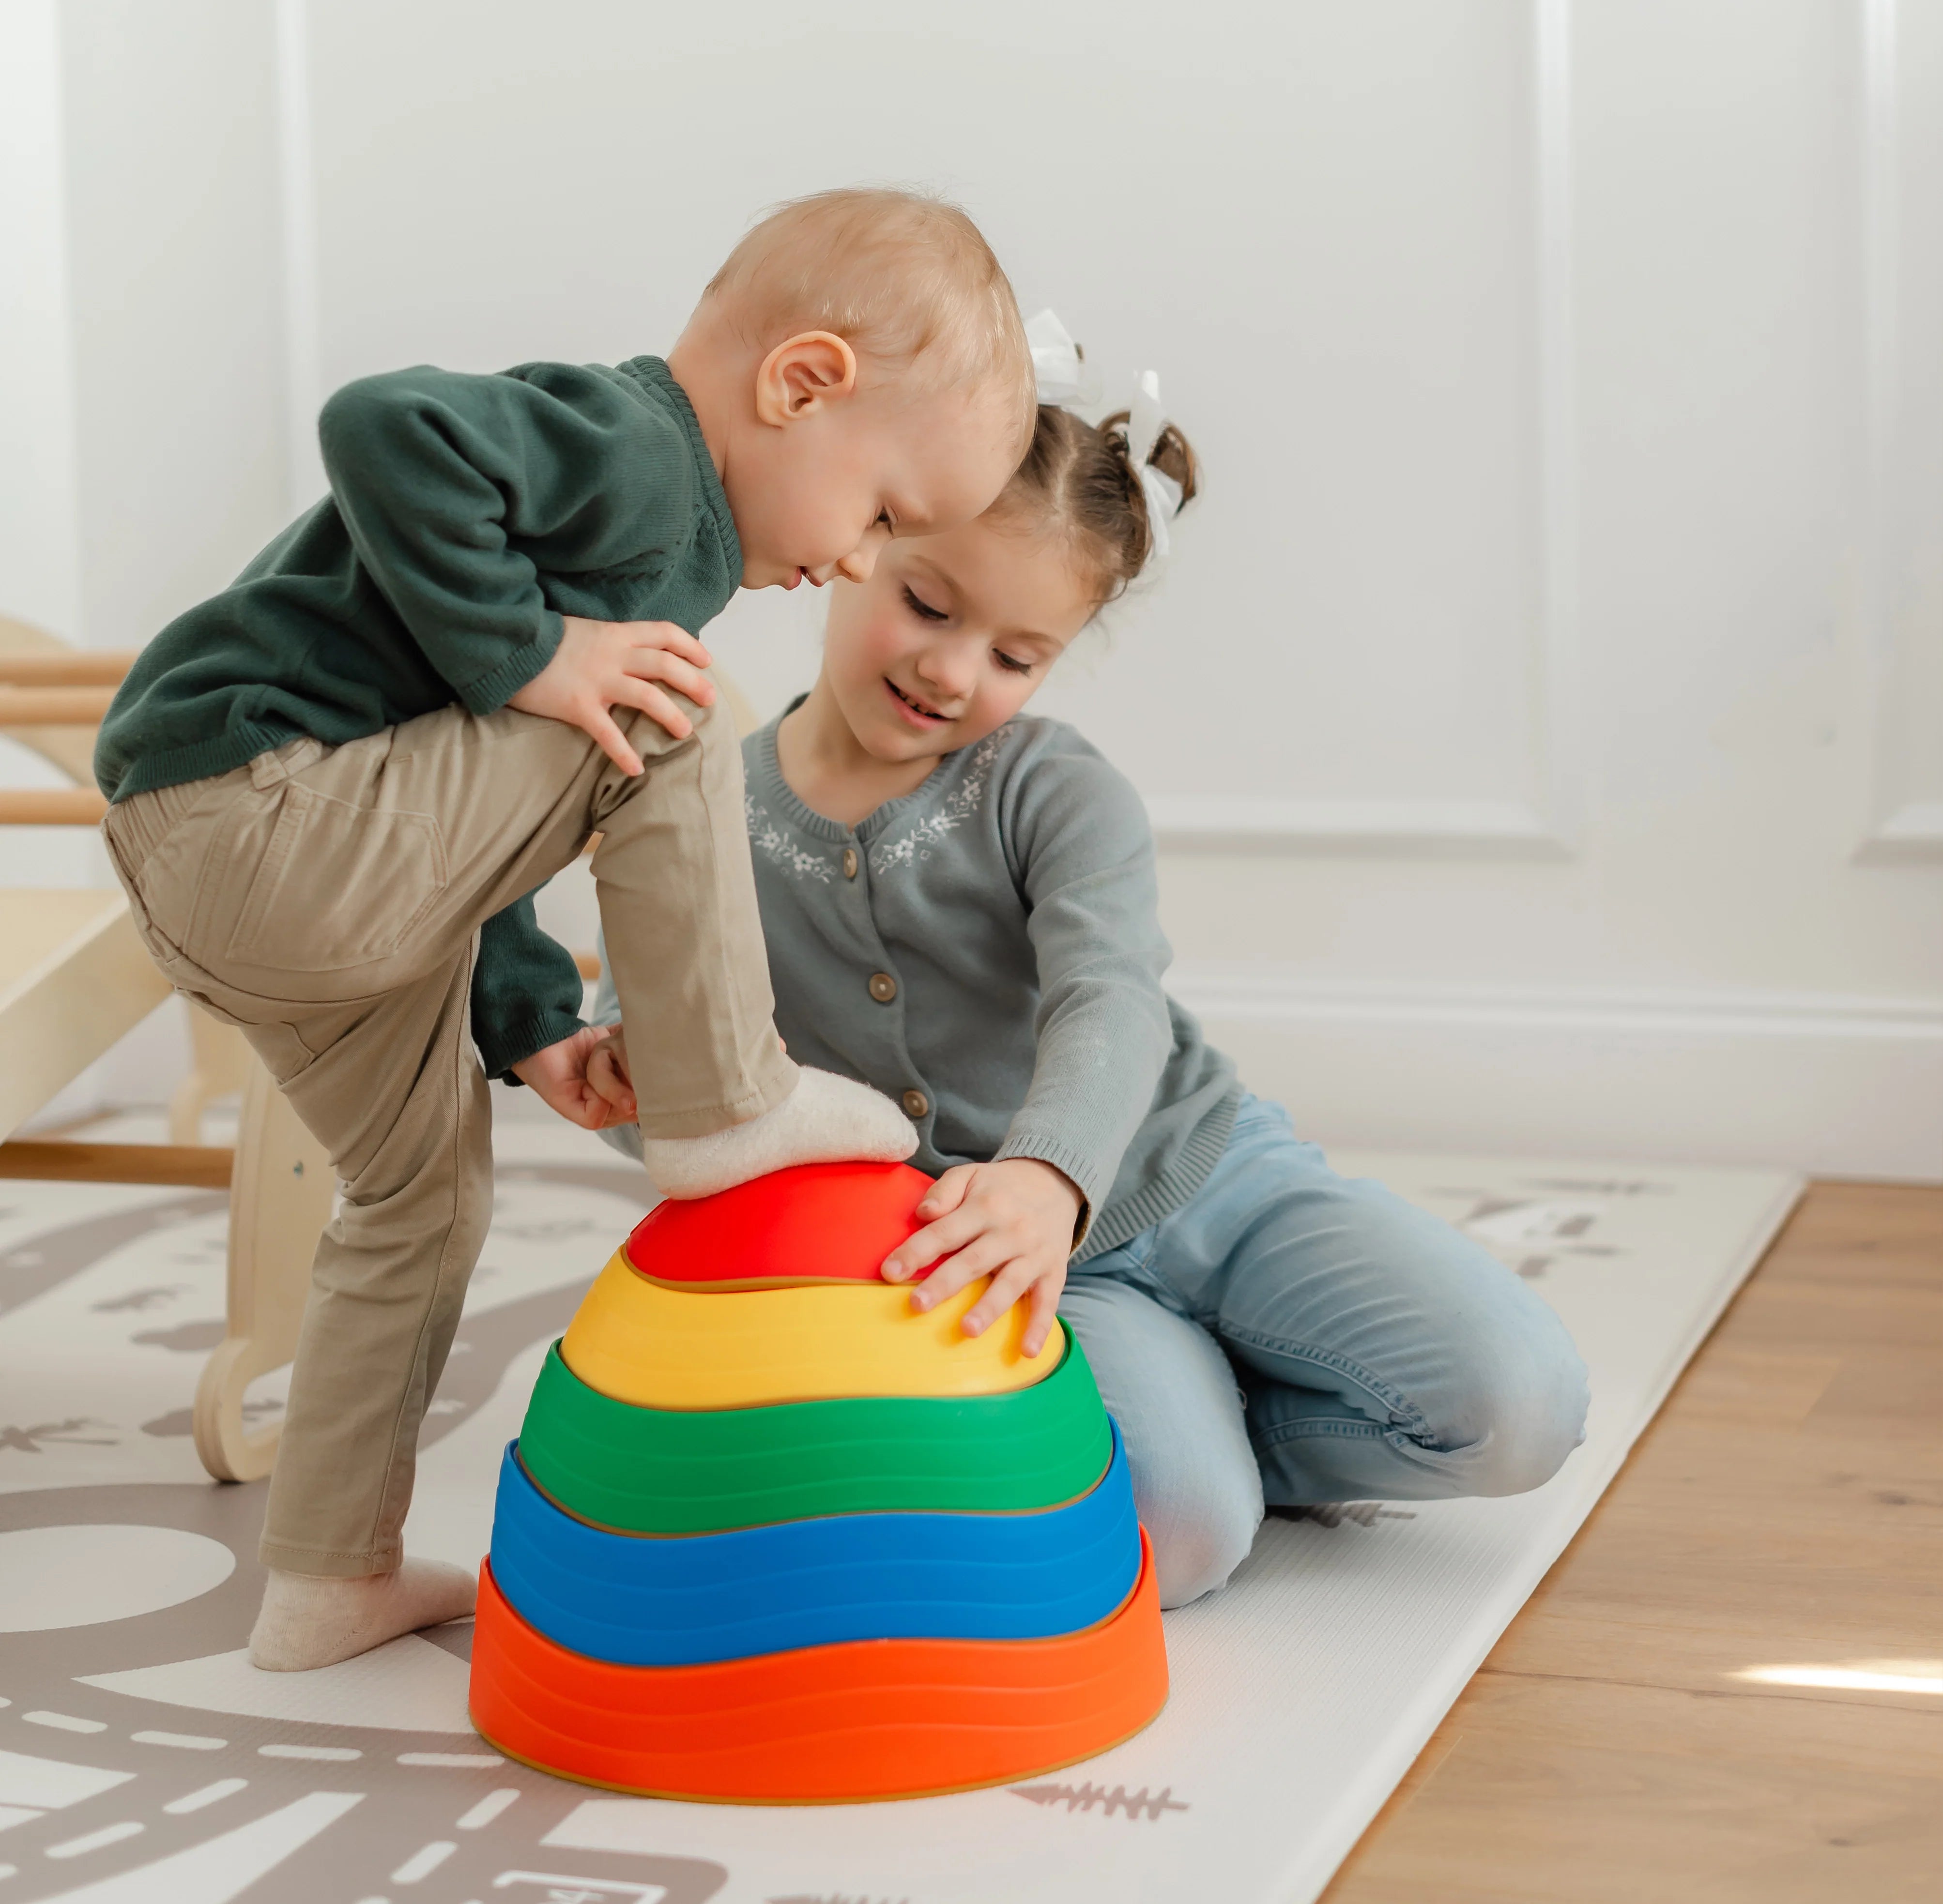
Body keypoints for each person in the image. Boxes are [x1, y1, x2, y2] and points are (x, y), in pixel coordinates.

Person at [94, 188, 1037, 1669]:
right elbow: (383, 422)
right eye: (883, 515)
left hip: (256, 863)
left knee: (419, 1204)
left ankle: (326, 1581)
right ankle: (726, 1094)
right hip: (258, 806)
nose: (858, 563)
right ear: (801, 385)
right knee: (663, 709)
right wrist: (537, 650)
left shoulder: (652, 559)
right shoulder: (638, 452)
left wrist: (528, 1021)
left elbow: (475, 781)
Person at [588, 336, 1590, 1608]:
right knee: (1173, 1535)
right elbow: (662, 1042)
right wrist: (626, 1075)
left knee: (1522, 1410)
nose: (954, 673)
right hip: (997, 1264)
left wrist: (1049, 1177)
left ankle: (1236, 1413)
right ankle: (1199, 1431)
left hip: (1198, 1176)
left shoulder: (1050, 788)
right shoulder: (704, 812)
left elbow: (1107, 992)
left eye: (1018, 655)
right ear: (861, 543)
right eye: (931, 604)